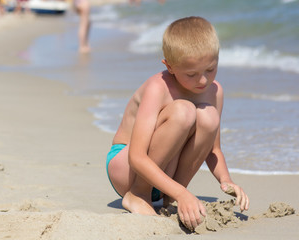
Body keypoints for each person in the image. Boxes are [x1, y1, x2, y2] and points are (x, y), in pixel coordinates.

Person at [106, 16, 249, 231]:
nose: (203, 80)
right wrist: (184, 194)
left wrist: (227, 181)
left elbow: (213, 150)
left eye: (210, 69)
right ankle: (138, 195)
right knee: (184, 111)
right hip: (126, 167)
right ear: (169, 66)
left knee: (208, 117)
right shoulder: (158, 87)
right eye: (191, 74)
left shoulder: (214, 91)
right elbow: (136, 156)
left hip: (163, 176)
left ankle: (166, 199)